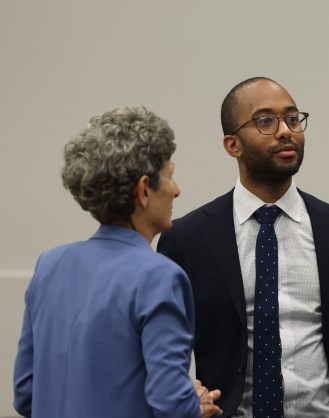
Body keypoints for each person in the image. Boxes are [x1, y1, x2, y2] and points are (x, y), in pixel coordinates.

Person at [157, 77, 329, 418]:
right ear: (232, 145)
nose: (286, 131)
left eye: (293, 119)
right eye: (265, 121)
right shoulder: (187, 239)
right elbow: (164, 351)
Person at [13, 106, 222, 418]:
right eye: (170, 176)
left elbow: (26, 394)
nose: (176, 190)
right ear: (143, 190)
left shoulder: (50, 264)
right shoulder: (159, 276)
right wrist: (196, 405)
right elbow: (171, 405)